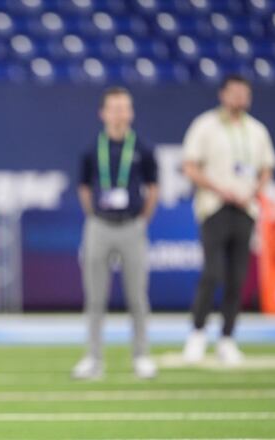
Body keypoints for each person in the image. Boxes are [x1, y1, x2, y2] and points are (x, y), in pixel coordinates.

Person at [181, 74, 275, 366]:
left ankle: (228, 338)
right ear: (223, 94)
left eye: (244, 93)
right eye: (234, 92)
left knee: (238, 277)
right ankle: (197, 334)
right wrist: (219, 188)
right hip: (215, 206)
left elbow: (266, 167)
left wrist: (255, 191)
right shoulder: (205, 126)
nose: (239, 98)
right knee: (213, 273)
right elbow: (189, 165)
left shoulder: (257, 130)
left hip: (245, 208)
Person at [74, 86, 159, 380]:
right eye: (114, 108)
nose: (120, 113)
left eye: (125, 107)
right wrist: (94, 215)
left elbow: (153, 188)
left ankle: (142, 356)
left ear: (131, 112)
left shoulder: (142, 148)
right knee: (95, 298)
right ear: (103, 113)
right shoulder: (91, 149)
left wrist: (142, 220)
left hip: (132, 225)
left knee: (138, 296)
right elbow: (84, 187)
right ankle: (93, 359)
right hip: (99, 225)